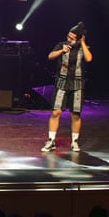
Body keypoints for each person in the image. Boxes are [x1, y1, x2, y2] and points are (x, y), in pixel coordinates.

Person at [41, 21, 93, 152]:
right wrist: (61, 51)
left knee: (75, 114)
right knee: (56, 112)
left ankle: (74, 142)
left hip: (77, 84)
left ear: (79, 38)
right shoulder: (61, 45)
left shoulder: (83, 47)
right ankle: (51, 141)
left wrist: (82, 43)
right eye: (68, 36)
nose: (68, 39)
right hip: (62, 82)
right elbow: (50, 56)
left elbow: (89, 58)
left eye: (71, 38)